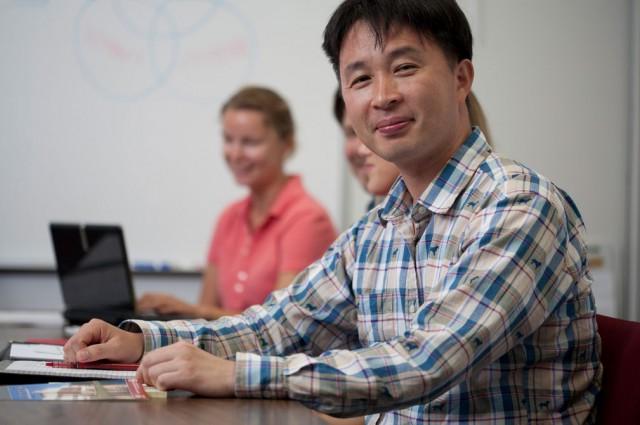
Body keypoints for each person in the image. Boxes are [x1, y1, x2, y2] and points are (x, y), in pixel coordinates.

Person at [64, 1, 602, 423]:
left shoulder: (519, 206)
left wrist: (233, 375)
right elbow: (277, 326)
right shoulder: (376, 229)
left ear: (462, 78)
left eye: (405, 68)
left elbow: (425, 362)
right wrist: (143, 341)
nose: (382, 96)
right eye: (361, 78)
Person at [137, 86, 337, 319]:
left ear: (287, 145)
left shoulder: (308, 219)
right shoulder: (228, 218)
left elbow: (281, 323)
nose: (235, 154)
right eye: (228, 139)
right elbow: (203, 318)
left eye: (250, 142)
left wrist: (193, 310)